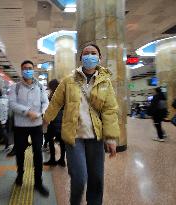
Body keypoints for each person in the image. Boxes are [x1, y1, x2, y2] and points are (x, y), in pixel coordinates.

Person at [43, 43, 120, 205]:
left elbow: (110, 111)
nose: (90, 56)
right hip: (74, 137)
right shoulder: (68, 81)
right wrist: (46, 119)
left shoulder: (105, 82)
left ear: (99, 57)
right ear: (80, 58)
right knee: (79, 178)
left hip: (96, 138)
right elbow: (56, 102)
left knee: (96, 179)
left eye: (93, 53)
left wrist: (111, 138)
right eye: (86, 53)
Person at [9, 60, 49, 197]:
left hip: (36, 125)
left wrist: (43, 112)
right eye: (25, 68)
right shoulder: (15, 87)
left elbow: (46, 102)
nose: (27, 70)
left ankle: (38, 182)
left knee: (38, 153)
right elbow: (12, 104)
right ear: (21, 70)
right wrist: (27, 112)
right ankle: (20, 175)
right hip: (20, 126)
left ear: (34, 70)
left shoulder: (40, 87)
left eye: (30, 68)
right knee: (20, 152)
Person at [43, 79, 66, 167]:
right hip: (62, 121)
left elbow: (50, 108)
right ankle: (62, 160)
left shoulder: (53, 95)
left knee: (50, 139)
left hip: (53, 121)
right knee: (62, 142)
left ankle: (52, 159)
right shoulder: (64, 93)